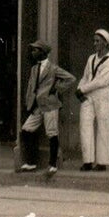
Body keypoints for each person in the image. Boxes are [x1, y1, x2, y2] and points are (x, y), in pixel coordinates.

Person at [17, 40, 75, 173]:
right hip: (37, 106)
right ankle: (31, 162)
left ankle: (52, 164)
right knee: (26, 130)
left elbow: (70, 78)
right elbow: (31, 87)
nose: (33, 52)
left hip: (49, 105)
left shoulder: (53, 68)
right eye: (32, 50)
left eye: (35, 50)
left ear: (43, 52)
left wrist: (56, 89)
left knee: (52, 133)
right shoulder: (34, 68)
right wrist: (29, 103)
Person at [76, 28, 109, 171]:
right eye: (94, 41)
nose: (95, 44)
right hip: (89, 96)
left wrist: (83, 89)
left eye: (98, 41)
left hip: (103, 97)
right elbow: (86, 76)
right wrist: (79, 88)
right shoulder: (91, 58)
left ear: (105, 43)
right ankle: (87, 160)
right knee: (85, 126)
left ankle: (102, 162)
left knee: (103, 127)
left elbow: (101, 81)